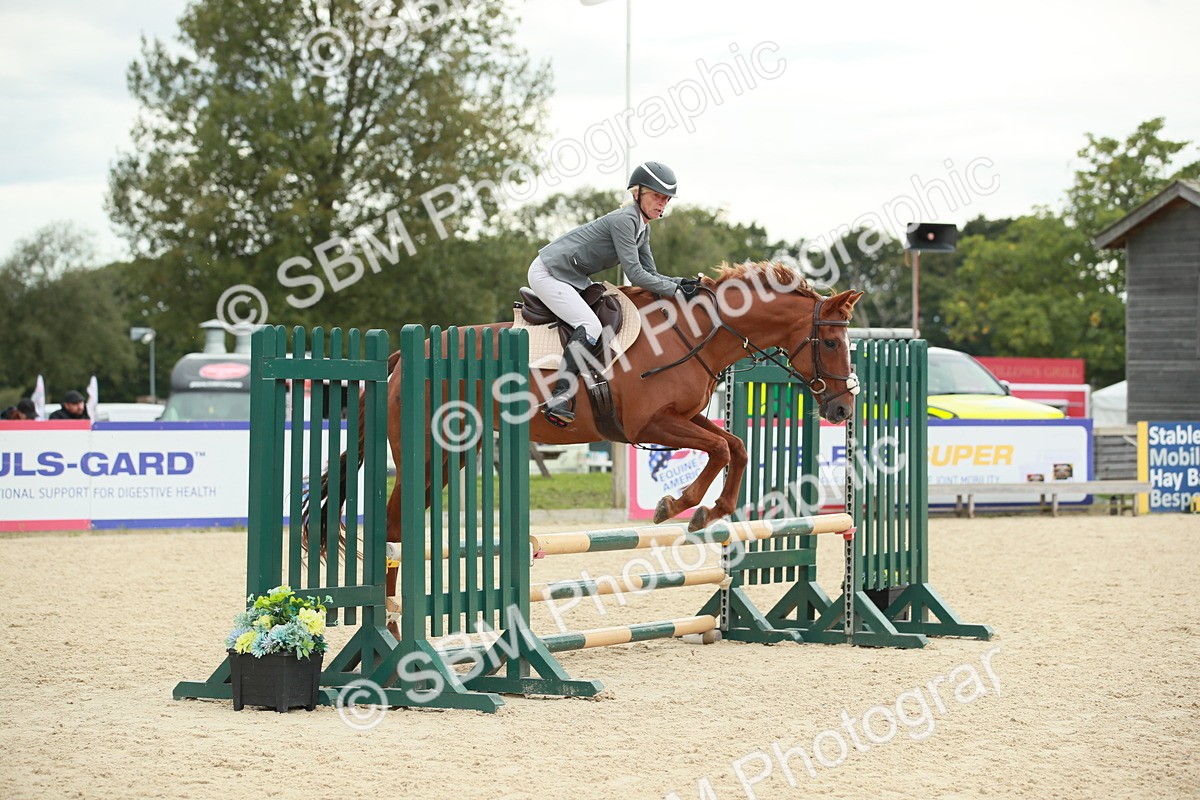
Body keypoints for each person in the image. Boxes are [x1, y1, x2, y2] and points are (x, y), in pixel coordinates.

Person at [529, 161, 700, 426]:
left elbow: (650, 273)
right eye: (656, 196)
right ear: (637, 193)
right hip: (549, 273)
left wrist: (681, 283)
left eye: (665, 199)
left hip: (571, 277)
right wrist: (676, 291)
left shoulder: (643, 227)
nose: (661, 203)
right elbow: (636, 275)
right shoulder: (625, 220)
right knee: (590, 325)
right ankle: (559, 396)